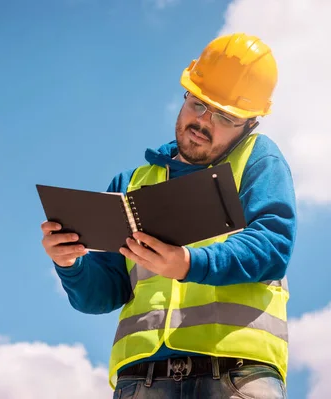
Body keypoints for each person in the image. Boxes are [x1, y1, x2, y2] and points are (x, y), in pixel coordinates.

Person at [41, 33, 296, 399]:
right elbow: (102, 294)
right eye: (198, 104)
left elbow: (273, 246)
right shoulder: (131, 183)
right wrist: (70, 264)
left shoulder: (259, 160)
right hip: (140, 380)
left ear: (249, 124)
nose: (203, 120)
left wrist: (188, 263)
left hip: (236, 375)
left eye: (224, 116)